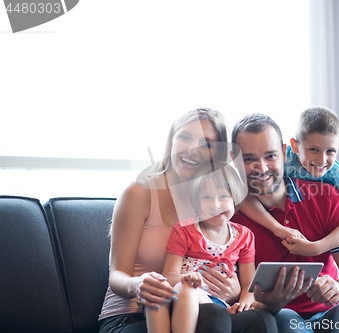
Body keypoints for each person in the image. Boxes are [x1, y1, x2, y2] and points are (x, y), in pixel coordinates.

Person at [98, 108, 277, 333]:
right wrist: (137, 285)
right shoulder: (139, 192)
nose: (192, 149)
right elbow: (117, 275)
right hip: (132, 315)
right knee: (212, 316)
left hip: (205, 309)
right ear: (171, 139)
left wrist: (235, 292)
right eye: (184, 137)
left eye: (206, 144)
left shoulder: (215, 203)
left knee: (261, 321)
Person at [230, 113, 339, 333]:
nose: (262, 168)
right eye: (249, 159)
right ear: (234, 159)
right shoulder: (227, 217)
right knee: (284, 320)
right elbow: (239, 300)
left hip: (331, 313)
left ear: (285, 151)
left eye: (270, 156)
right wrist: (272, 302)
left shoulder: (327, 196)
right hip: (275, 318)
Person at [145, 162, 256, 333]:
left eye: (223, 197)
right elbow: (169, 274)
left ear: (236, 198)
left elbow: (250, 283)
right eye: (206, 198)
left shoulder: (244, 236)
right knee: (182, 290)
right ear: (196, 203)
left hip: (218, 304)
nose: (215, 205)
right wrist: (186, 278)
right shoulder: (184, 230)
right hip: (185, 295)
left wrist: (244, 303)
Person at [239, 107, 339, 256]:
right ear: (295, 146)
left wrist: (316, 248)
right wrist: (277, 228)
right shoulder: (281, 157)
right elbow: (243, 193)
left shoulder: (337, 176)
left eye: (330, 151)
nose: (321, 160)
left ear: (338, 147)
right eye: (314, 150)